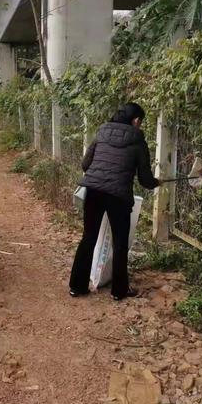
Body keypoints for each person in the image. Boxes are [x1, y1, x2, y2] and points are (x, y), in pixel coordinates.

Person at [69, 102, 162, 301]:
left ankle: (77, 286)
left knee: (88, 237)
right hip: (118, 196)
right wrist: (156, 183)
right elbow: (145, 180)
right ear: (136, 120)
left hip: (93, 191)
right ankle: (119, 291)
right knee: (120, 242)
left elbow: (85, 164)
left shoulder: (101, 133)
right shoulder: (137, 140)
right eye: (141, 121)